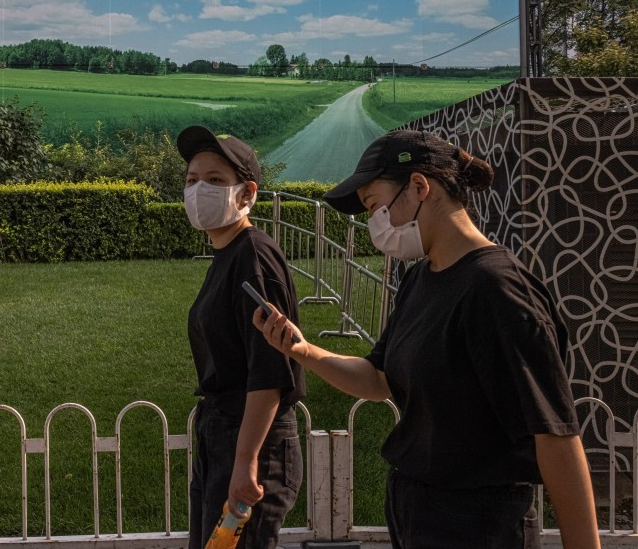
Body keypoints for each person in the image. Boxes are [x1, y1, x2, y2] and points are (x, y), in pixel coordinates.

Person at [251, 129, 601, 549]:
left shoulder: (496, 290)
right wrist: (302, 350)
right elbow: (378, 379)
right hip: (419, 512)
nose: (374, 225)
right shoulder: (421, 277)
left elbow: (557, 436)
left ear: (419, 187)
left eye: (374, 207)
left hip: (477, 523)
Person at [176, 125, 306, 549]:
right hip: (223, 433)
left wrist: (245, 461)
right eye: (192, 180)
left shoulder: (252, 256)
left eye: (215, 181)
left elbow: (269, 369)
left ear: (247, 193)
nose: (198, 190)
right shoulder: (227, 252)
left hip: (250, 441)